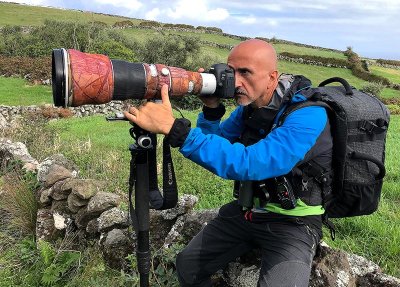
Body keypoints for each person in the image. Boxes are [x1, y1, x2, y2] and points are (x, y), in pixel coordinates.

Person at [124, 39, 332, 287]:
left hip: (294, 222)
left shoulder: (309, 114)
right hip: (248, 212)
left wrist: (174, 129)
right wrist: (211, 110)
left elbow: (253, 163)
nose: (235, 81)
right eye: (232, 72)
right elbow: (218, 142)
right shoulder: (250, 108)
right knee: (188, 267)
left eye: (246, 72)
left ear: (272, 76)